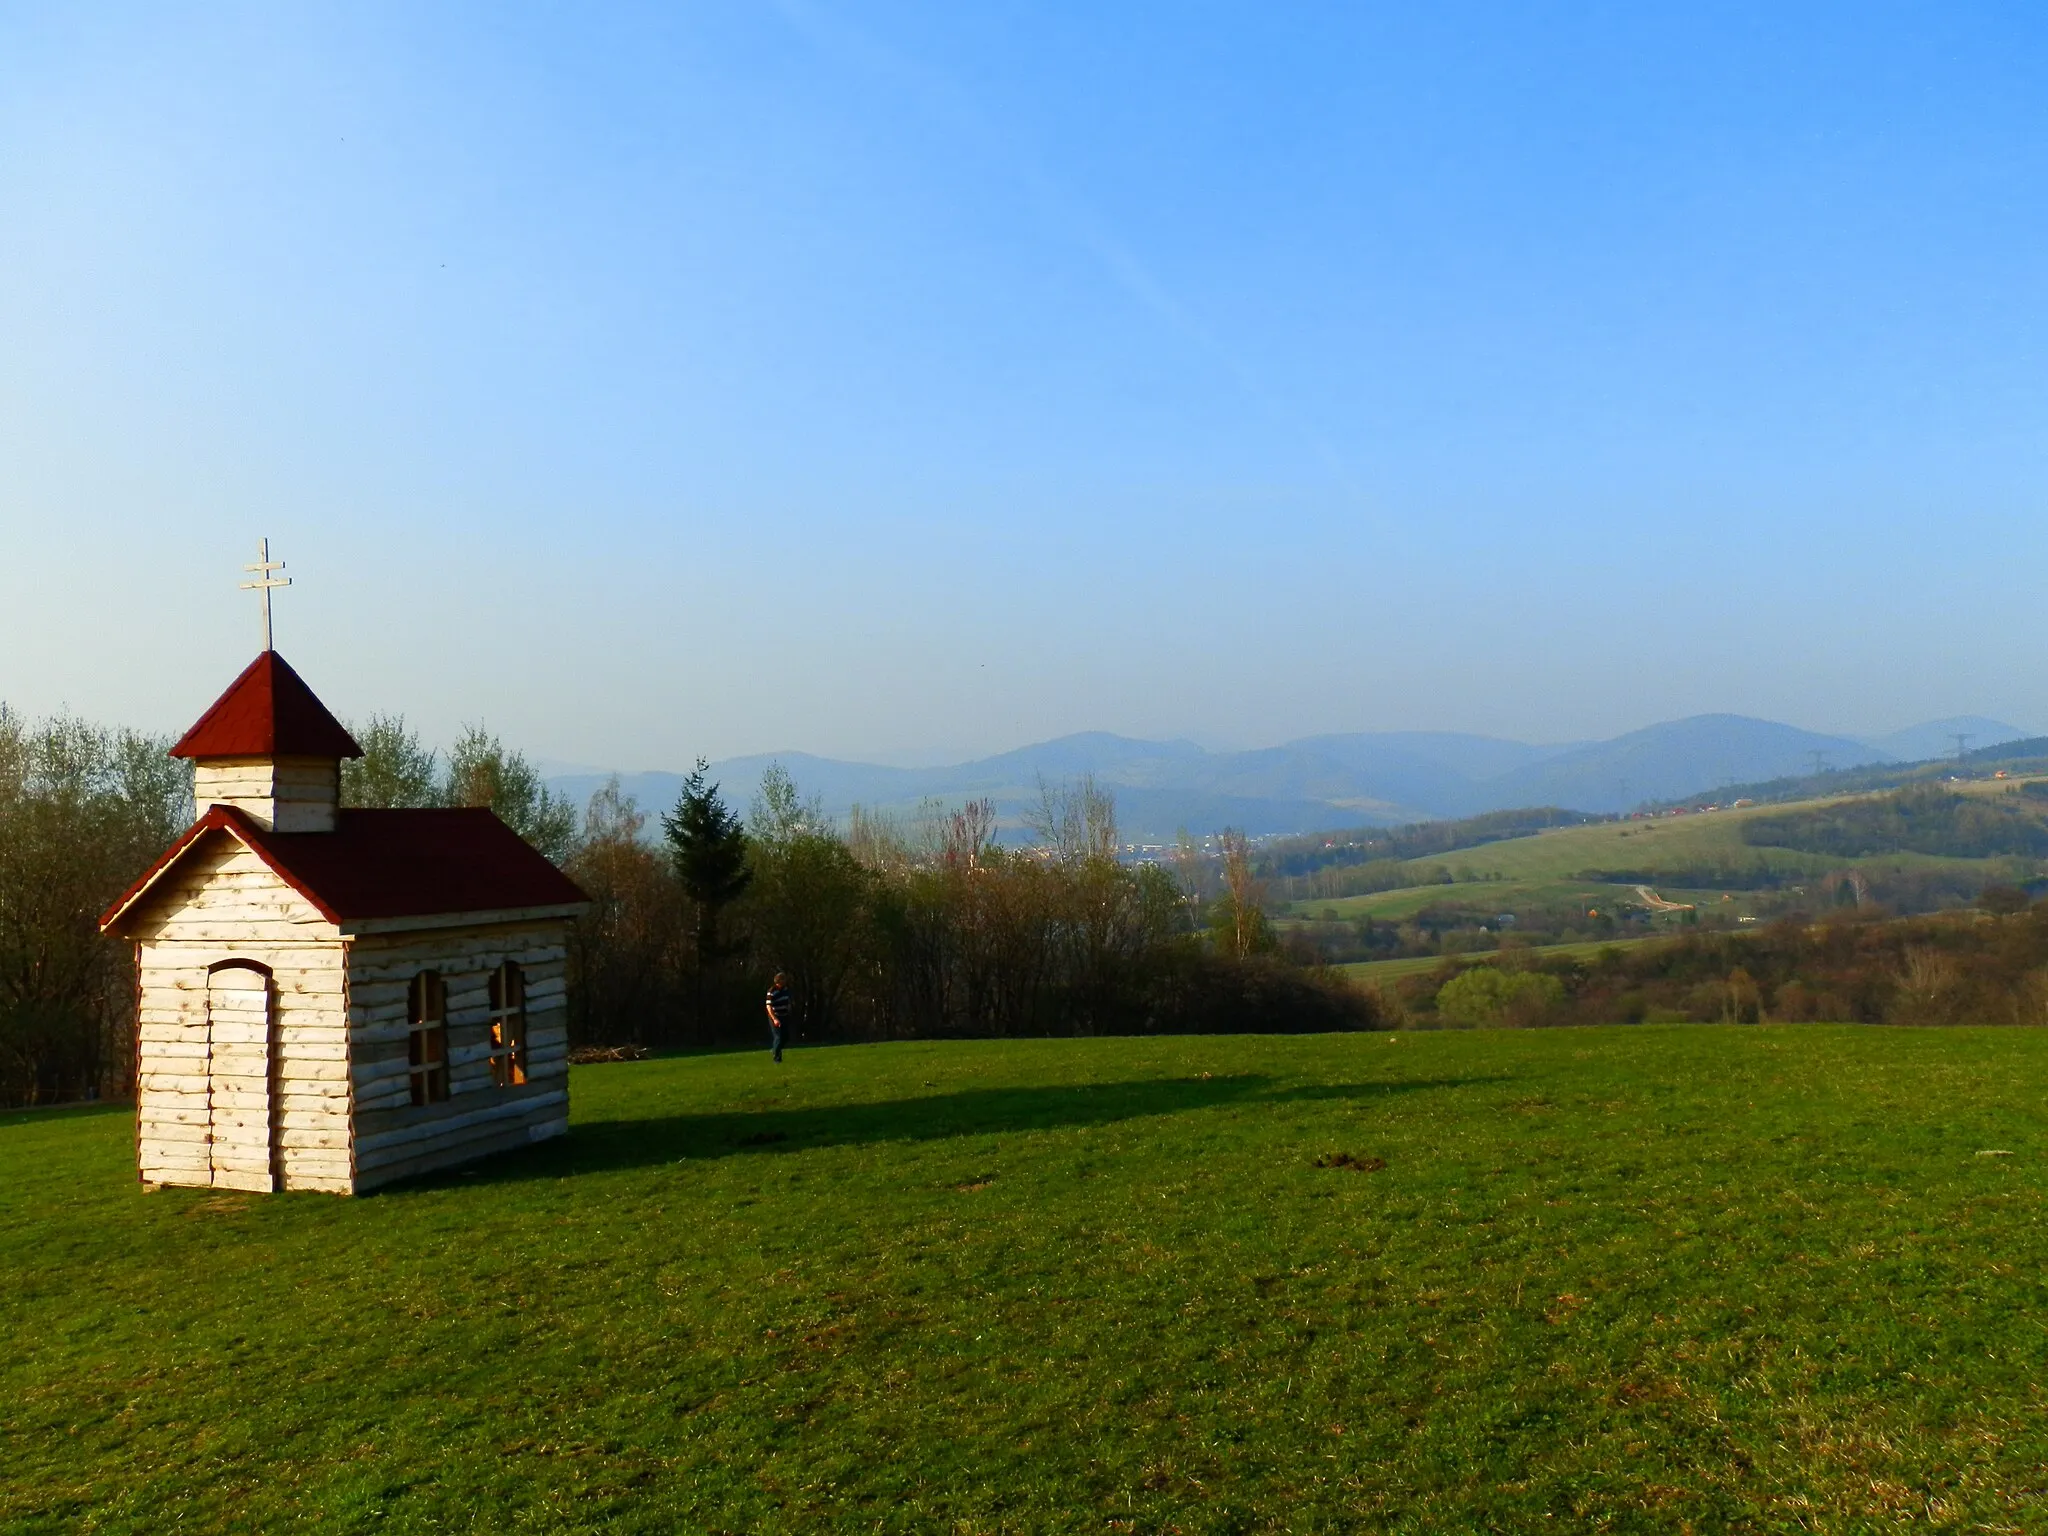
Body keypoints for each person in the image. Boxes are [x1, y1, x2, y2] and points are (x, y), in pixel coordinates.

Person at [764, 973, 793, 1063]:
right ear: (779, 981)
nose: (785, 981)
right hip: (775, 1016)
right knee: (778, 1037)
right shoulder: (771, 991)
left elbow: (787, 1001)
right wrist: (775, 1019)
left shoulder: (786, 990)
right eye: (783, 979)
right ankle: (777, 1059)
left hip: (784, 1015)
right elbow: (769, 1006)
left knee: (786, 1037)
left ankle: (775, 1048)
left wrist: (789, 1010)